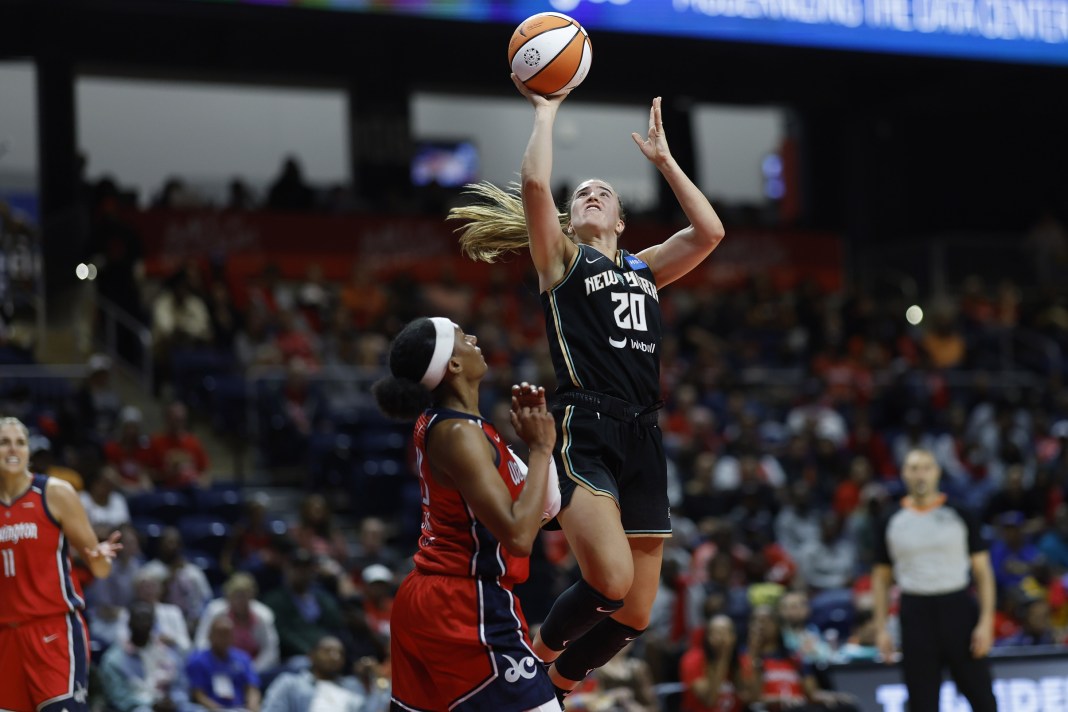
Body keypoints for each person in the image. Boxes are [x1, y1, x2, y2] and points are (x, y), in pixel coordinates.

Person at [447, 77, 726, 699]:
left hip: (645, 431)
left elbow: (709, 233)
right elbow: (536, 185)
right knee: (609, 581)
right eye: (583, 194)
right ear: (570, 220)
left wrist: (665, 162)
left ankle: (556, 688)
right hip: (587, 427)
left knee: (637, 612)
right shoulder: (563, 262)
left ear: (622, 219)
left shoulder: (644, 267)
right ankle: (529, 662)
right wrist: (546, 112)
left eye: (605, 192)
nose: (592, 193)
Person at [371, 316, 561, 711]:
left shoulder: (460, 427)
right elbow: (519, 536)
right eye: (462, 337)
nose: (474, 338)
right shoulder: (458, 434)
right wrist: (542, 449)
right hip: (464, 604)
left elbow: (531, 513)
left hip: (433, 597)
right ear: (453, 365)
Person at [0, 416, 123, 712]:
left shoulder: (55, 492)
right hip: (5, 635)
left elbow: (99, 567)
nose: (13, 449)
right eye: (4, 442)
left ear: (29, 452)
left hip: (52, 629)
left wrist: (100, 557)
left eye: (20, 443)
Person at [872, 448, 998, 712]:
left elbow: (983, 573)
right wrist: (881, 628)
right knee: (922, 703)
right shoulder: (890, 519)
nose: (920, 474)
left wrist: (986, 622)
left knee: (983, 699)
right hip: (915, 613)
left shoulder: (961, 513)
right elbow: (881, 579)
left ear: (937, 472)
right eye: (913, 468)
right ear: (904, 474)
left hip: (959, 609)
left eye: (926, 467)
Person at [98, 600, 196, 712]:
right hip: (138, 707)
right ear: (129, 623)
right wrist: (153, 703)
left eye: (147, 619)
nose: (142, 624)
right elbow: (120, 697)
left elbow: (180, 685)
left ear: (154, 623)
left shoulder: (168, 653)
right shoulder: (113, 659)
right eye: (138, 619)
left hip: (170, 705)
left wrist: (174, 700)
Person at [260, 634, 372, 712]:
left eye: (340, 653)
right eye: (327, 651)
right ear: (312, 656)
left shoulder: (353, 687)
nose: (335, 657)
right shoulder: (290, 684)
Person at [186, 614, 261, 712]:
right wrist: (219, 710)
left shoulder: (242, 658)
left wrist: (252, 708)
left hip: (240, 708)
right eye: (220, 634)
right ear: (210, 636)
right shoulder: (198, 661)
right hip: (210, 709)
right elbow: (198, 694)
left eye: (227, 634)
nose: (224, 638)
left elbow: (252, 688)